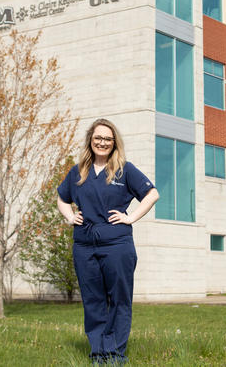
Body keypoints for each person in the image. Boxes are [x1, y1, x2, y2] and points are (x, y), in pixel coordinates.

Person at [57, 118, 159, 364]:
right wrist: (70, 216)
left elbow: (152, 193)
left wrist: (130, 217)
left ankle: (114, 354)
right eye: (98, 138)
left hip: (117, 245)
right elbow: (62, 198)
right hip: (84, 245)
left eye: (107, 139)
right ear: (90, 141)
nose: (102, 143)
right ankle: (98, 353)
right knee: (93, 301)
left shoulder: (125, 169)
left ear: (114, 143)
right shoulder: (78, 171)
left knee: (118, 299)